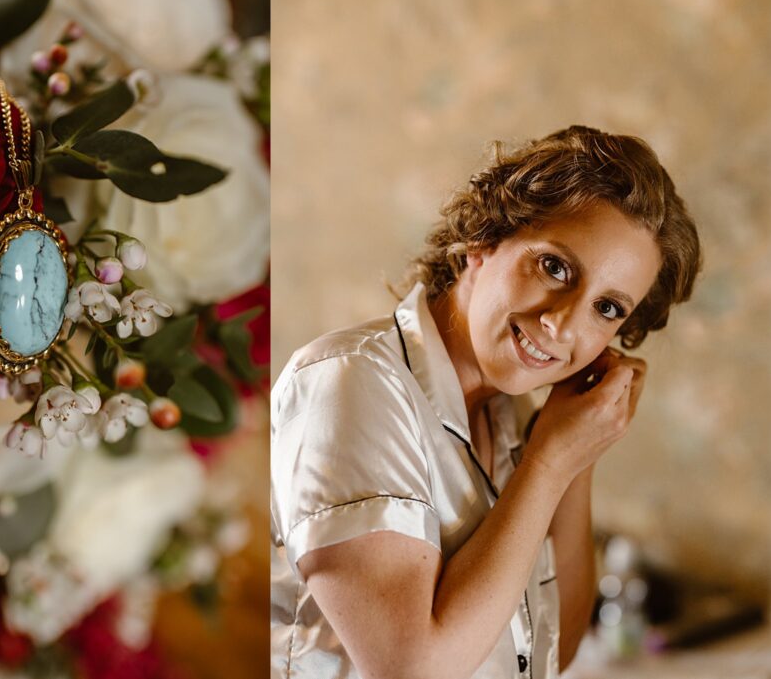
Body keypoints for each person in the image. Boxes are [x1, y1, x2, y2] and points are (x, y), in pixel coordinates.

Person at [270, 126, 702, 679]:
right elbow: (412, 670)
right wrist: (549, 464)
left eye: (608, 308)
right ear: (484, 240)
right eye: (555, 267)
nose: (563, 324)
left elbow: (557, 647)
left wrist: (578, 451)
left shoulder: (512, 415)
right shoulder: (350, 382)